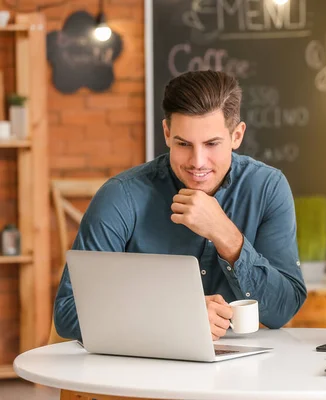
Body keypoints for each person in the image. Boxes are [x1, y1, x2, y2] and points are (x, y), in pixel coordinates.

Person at [54, 70, 307, 341]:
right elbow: (69, 312)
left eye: (212, 144)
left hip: (241, 372)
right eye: (184, 144)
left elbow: (284, 309)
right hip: (141, 374)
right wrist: (179, 315)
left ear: (237, 136)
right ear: (166, 133)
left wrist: (227, 236)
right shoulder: (120, 197)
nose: (197, 161)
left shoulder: (267, 188)